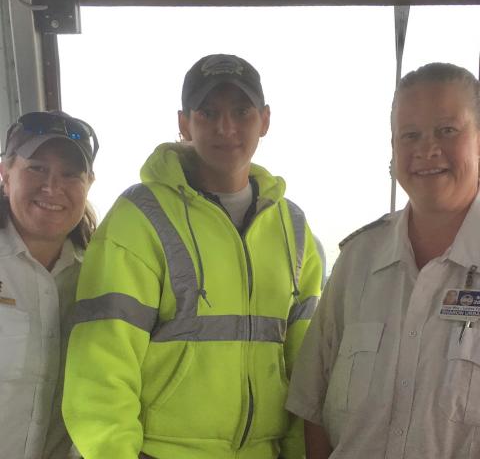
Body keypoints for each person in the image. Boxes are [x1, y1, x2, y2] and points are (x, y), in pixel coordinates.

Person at [62, 53, 323, 459]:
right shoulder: (140, 217)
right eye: (208, 112)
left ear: (265, 120)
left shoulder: (293, 228)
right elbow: (102, 365)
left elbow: (306, 366)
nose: (226, 127)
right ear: (184, 123)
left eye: (242, 111)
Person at [286, 61, 480, 459]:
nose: (427, 149)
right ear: (393, 149)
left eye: (447, 130)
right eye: (409, 135)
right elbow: (313, 407)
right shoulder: (356, 264)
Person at [0, 111, 98, 458]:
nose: (52, 187)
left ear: (89, 184)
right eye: (37, 168)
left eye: (70, 174)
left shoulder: (102, 279)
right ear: (5, 173)